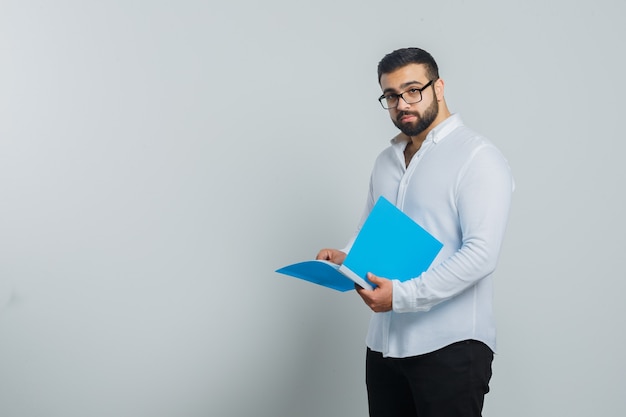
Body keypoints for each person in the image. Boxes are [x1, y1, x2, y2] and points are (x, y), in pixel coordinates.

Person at [316, 47, 513, 417]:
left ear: (438, 87)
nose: (402, 103)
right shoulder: (385, 161)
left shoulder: (477, 157)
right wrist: (346, 259)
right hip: (384, 346)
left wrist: (403, 296)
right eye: (391, 95)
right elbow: (369, 231)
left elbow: (481, 253)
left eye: (412, 90)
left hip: (451, 346)